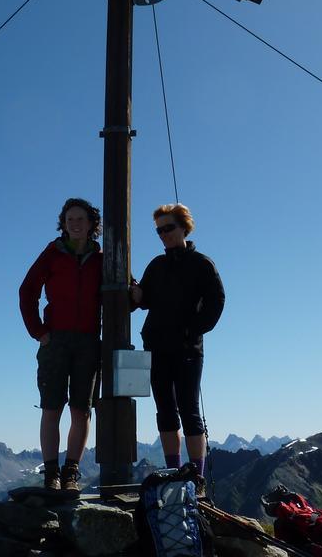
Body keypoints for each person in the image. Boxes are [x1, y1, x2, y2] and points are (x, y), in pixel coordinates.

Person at [130, 203, 225, 482]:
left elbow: (217, 301)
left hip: (187, 349)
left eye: (168, 228)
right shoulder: (157, 266)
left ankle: (196, 479)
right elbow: (143, 300)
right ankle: (175, 472)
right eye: (159, 230)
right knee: (165, 412)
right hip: (157, 347)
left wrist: (192, 331)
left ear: (185, 227)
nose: (163, 234)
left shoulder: (202, 264)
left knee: (189, 410)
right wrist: (135, 293)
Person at [19, 197, 103, 492]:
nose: (75, 224)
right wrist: (38, 331)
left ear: (92, 224)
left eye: (80, 219)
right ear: (63, 225)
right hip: (55, 340)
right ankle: (51, 474)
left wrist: (135, 292)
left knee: (82, 410)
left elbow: (122, 288)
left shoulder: (102, 257)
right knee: (52, 407)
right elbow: (27, 289)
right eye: (70, 220)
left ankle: (71, 473)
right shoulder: (53, 253)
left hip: (88, 341)